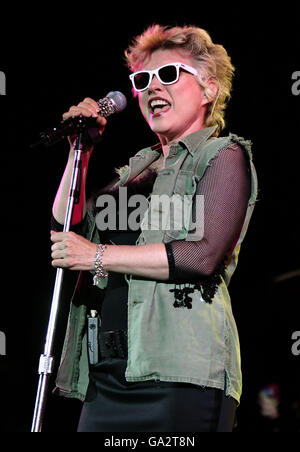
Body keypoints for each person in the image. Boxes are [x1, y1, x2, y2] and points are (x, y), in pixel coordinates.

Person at [50, 24, 258, 432]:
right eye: (142, 80)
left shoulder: (222, 155)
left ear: (209, 90)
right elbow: (67, 224)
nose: (151, 88)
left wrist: (96, 255)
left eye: (168, 75)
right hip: (107, 375)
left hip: (180, 375)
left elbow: (201, 255)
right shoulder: (135, 169)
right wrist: (81, 152)